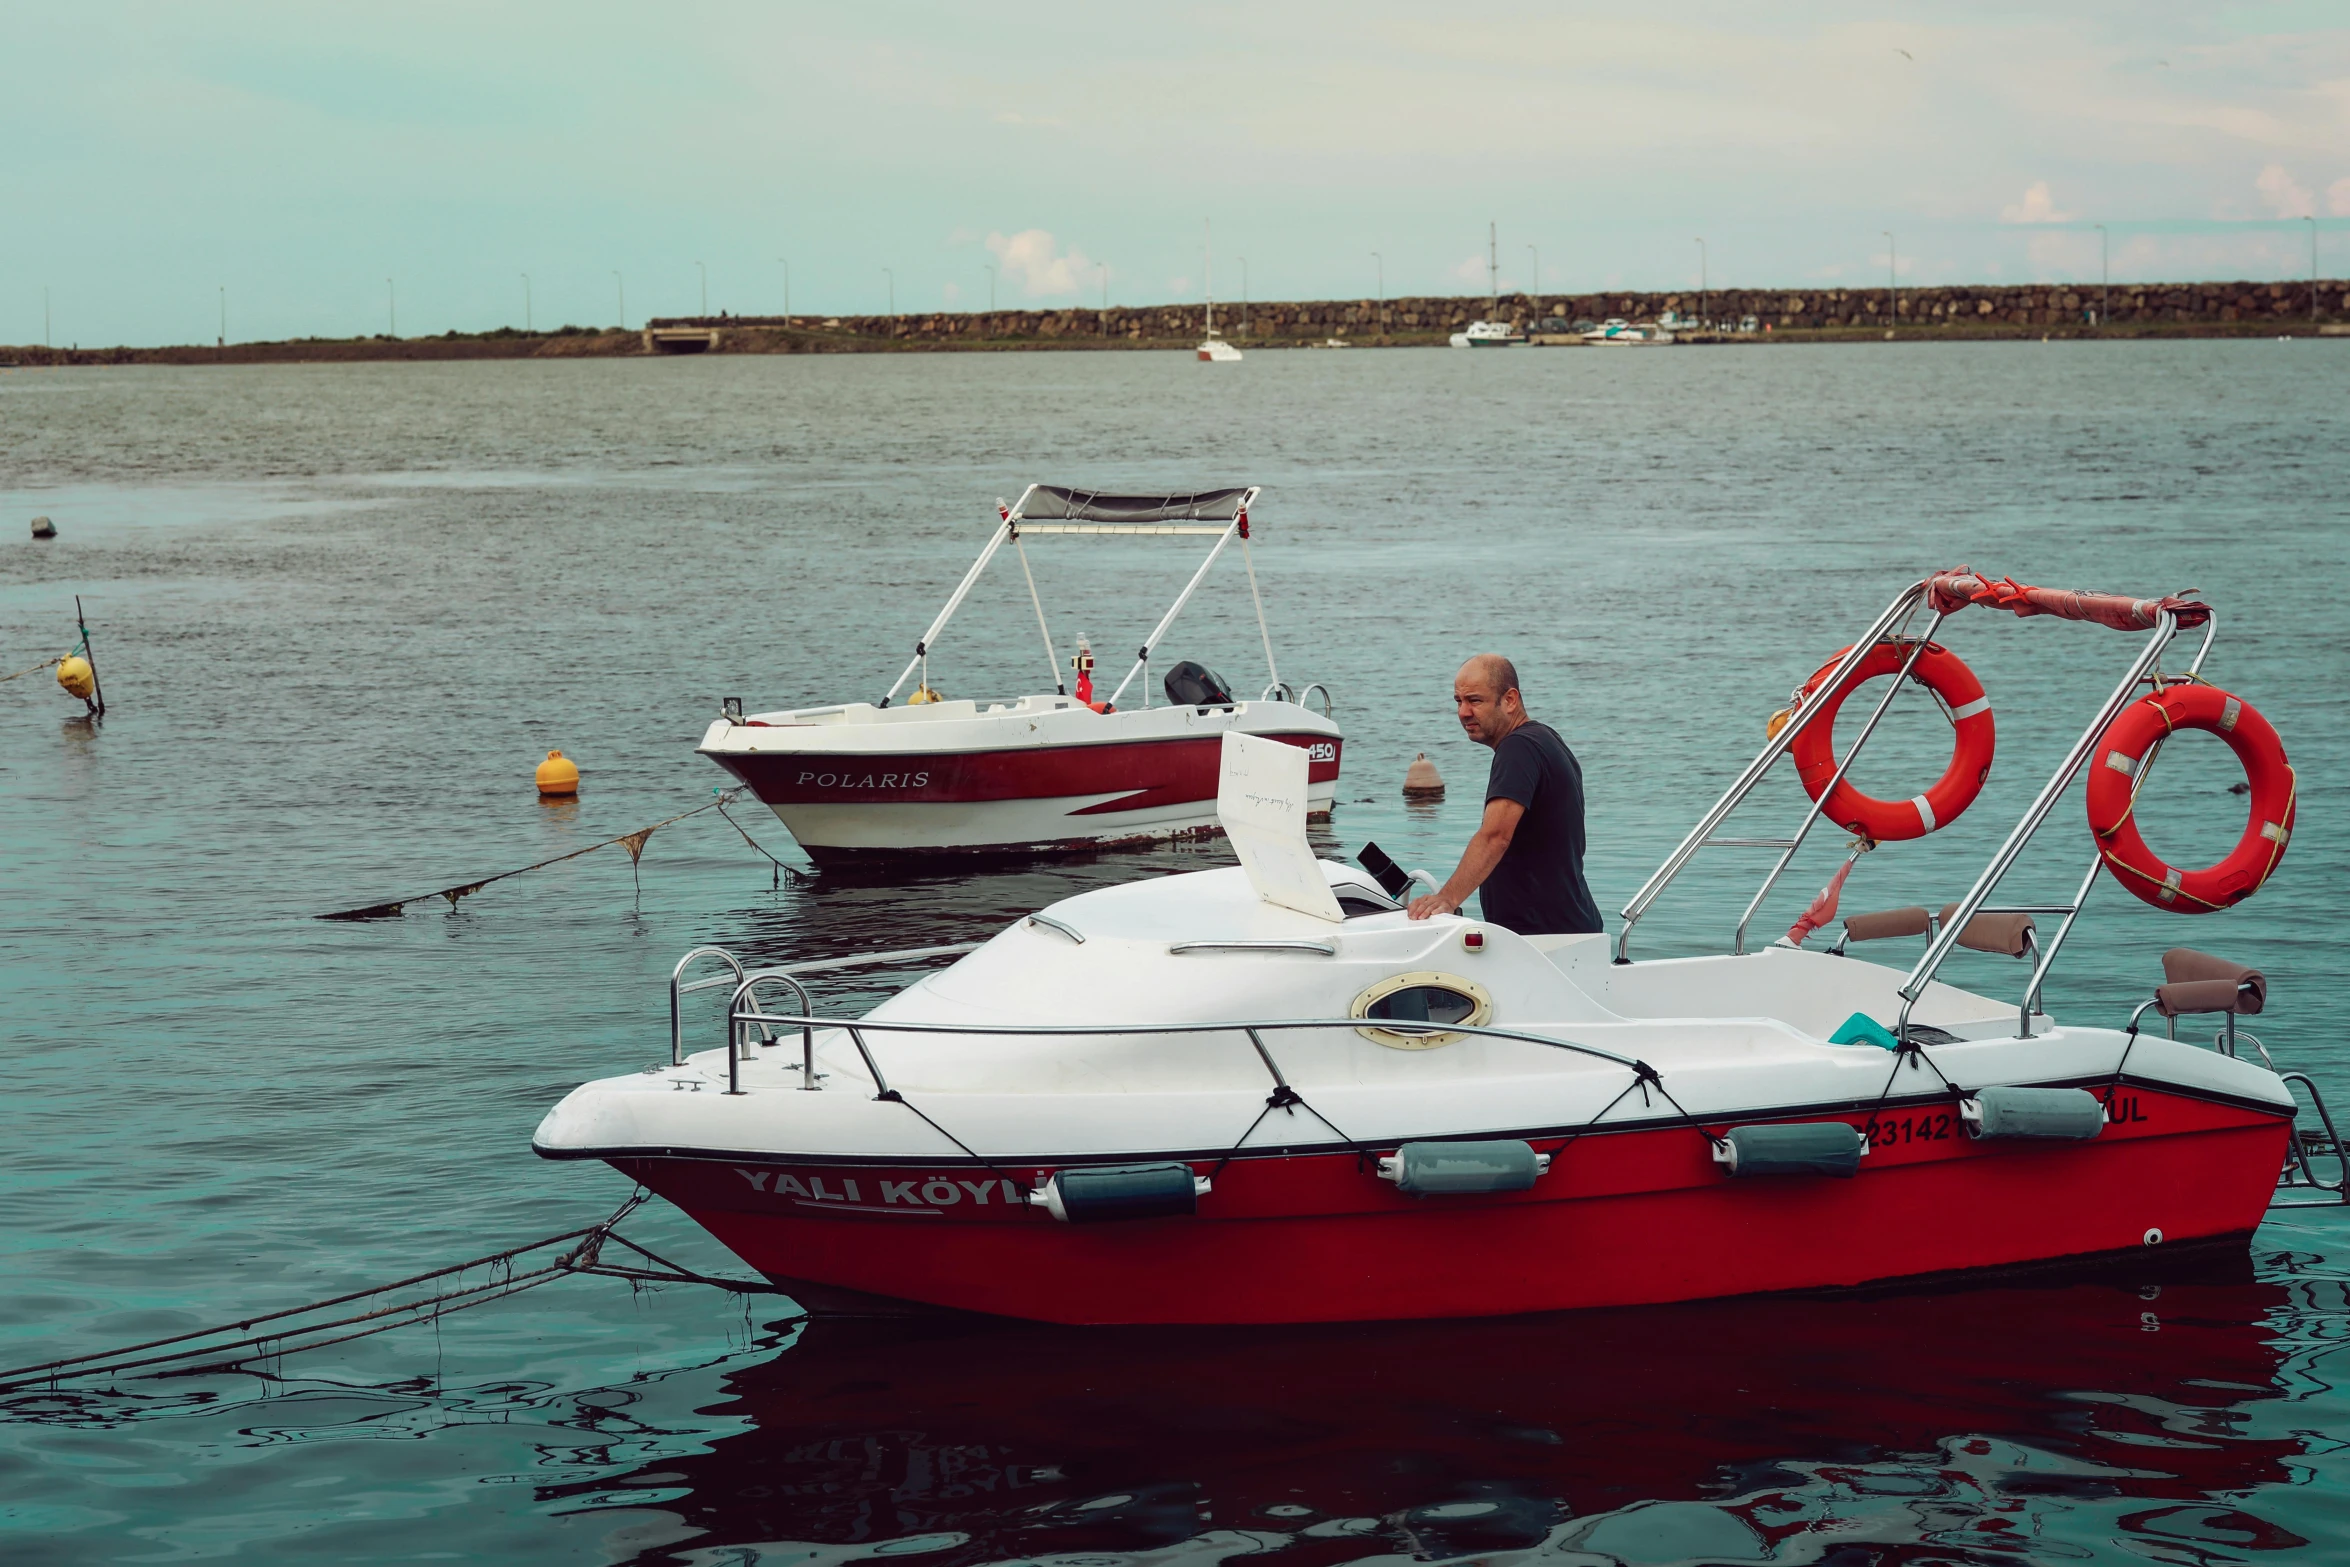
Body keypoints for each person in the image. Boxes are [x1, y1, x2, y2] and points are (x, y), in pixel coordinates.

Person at [1407, 655, 1603, 935]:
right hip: (1569, 926)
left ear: (1510, 700)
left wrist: (1447, 899)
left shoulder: (1518, 748)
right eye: (1458, 701)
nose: (1463, 712)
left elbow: (1495, 835)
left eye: (1475, 701)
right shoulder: (1545, 739)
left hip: (1546, 936)